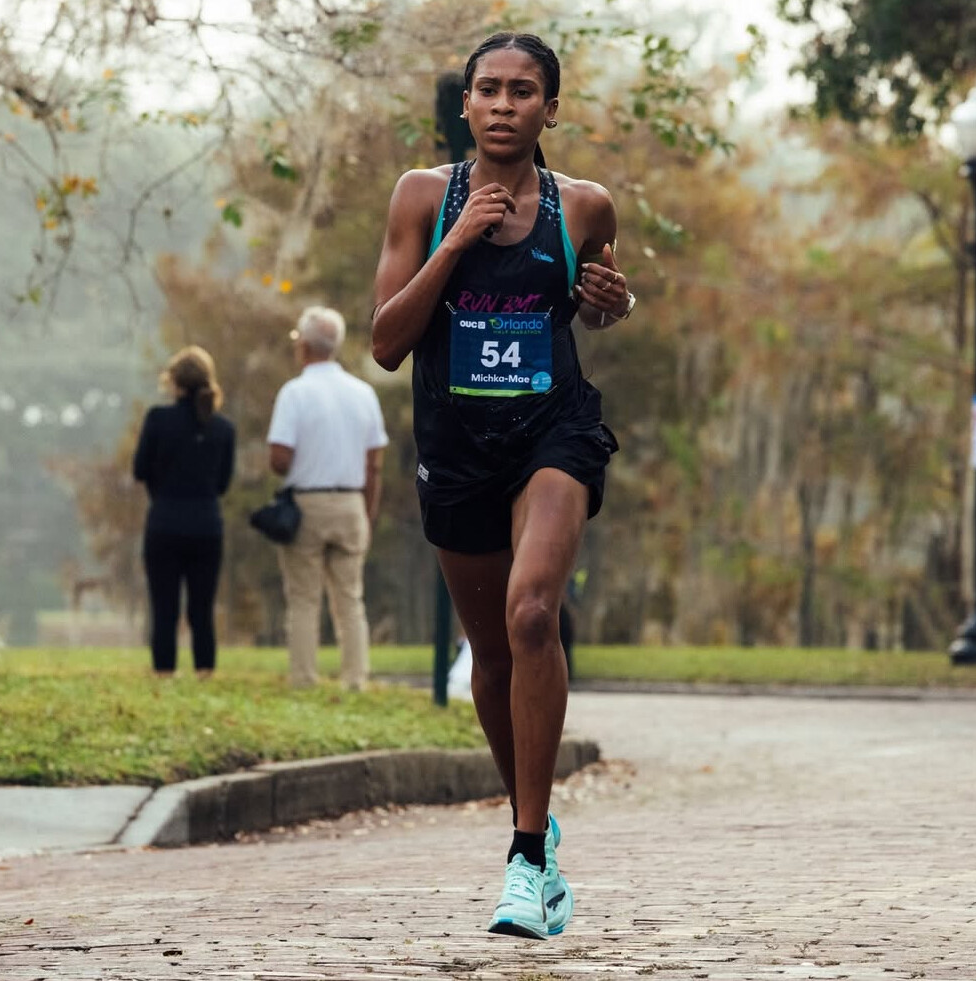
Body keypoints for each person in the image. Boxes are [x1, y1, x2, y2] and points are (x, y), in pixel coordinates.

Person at [372, 32, 633, 939]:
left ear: (549, 110)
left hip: (552, 431)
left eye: (524, 91)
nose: (503, 104)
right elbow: (386, 341)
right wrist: (456, 240)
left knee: (531, 614)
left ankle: (524, 857)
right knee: (490, 654)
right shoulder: (421, 196)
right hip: (456, 444)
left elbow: (601, 299)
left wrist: (614, 303)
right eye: (488, 89)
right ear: (466, 104)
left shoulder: (585, 205)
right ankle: (537, 823)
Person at [267, 306, 389, 690]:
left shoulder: (294, 394)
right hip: (351, 503)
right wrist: (367, 512)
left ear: (304, 346)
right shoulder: (363, 393)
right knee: (350, 598)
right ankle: (355, 678)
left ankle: (304, 678)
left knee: (304, 599)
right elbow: (374, 464)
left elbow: (279, 459)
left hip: (307, 505)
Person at [133, 345, 235, 678]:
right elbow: (222, 484)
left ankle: (164, 671)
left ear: (174, 382)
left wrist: (162, 489)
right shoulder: (223, 429)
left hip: (164, 523)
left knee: (164, 606)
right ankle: (205, 670)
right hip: (207, 526)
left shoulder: (158, 419)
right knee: (202, 607)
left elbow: (140, 469)